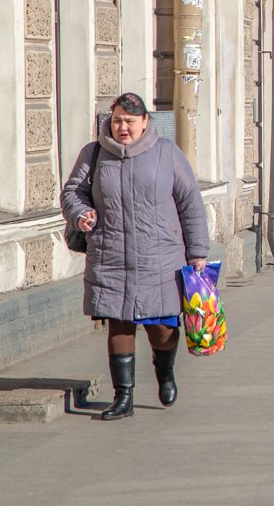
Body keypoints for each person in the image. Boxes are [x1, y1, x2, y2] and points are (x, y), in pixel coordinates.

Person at [61, 93, 209, 420]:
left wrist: (198, 253)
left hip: (160, 258)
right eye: (117, 121)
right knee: (119, 324)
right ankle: (123, 397)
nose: (122, 128)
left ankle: (165, 370)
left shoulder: (167, 154)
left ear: (145, 123)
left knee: (162, 328)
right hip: (111, 255)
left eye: (129, 122)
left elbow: (190, 204)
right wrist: (81, 213)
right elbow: (72, 192)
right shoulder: (95, 153)